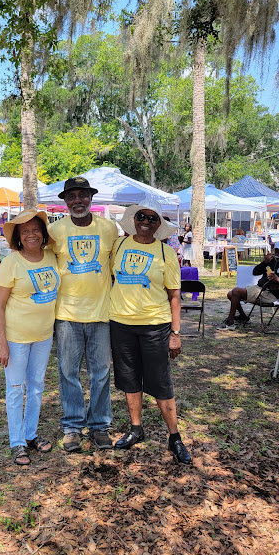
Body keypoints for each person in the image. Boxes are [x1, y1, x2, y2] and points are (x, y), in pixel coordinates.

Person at [109, 197, 191, 464]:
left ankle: (174, 437)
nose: (145, 222)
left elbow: (175, 297)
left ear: (159, 225)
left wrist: (175, 334)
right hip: (120, 323)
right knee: (129, 377)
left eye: (152, 219)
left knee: (160, 381)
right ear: (133, 220)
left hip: (155, 326)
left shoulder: (166, 253)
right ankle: (135, 429)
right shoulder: (118, 245)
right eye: (141, 217)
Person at [48, 176, 118, 452]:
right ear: (65, 201)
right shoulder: (54, 231)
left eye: (82, 195)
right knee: (68, 372)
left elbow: (116, 268)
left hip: (102, 313)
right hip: (66, 314)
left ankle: (100, 426)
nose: (78, 201)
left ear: (91, 198)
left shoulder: (109, 228)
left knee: (100, 373)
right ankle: (73, 426)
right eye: (72, 196)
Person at [0, 210, 59, 466]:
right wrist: (2, 343)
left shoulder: (52, 257)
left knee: (36, 387)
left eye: (35, 230)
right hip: (17, 337)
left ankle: (30, 434)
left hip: (44, 335)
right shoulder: (12, 262)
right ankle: (17, 442)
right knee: (15, 389)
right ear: (18, 237)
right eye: (25, 231)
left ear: (43, 234)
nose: (31, 235)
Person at [217, 245, 279, 330]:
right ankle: (243, 316)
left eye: (278, 251)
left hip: (271, 294)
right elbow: (255, 272)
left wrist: (277, 279)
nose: (276, 253)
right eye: (275, 251)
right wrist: (265, 262)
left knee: (236, 291)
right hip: (261, 289)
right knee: (230, 294)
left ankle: (230, 322)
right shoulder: (273, 262)